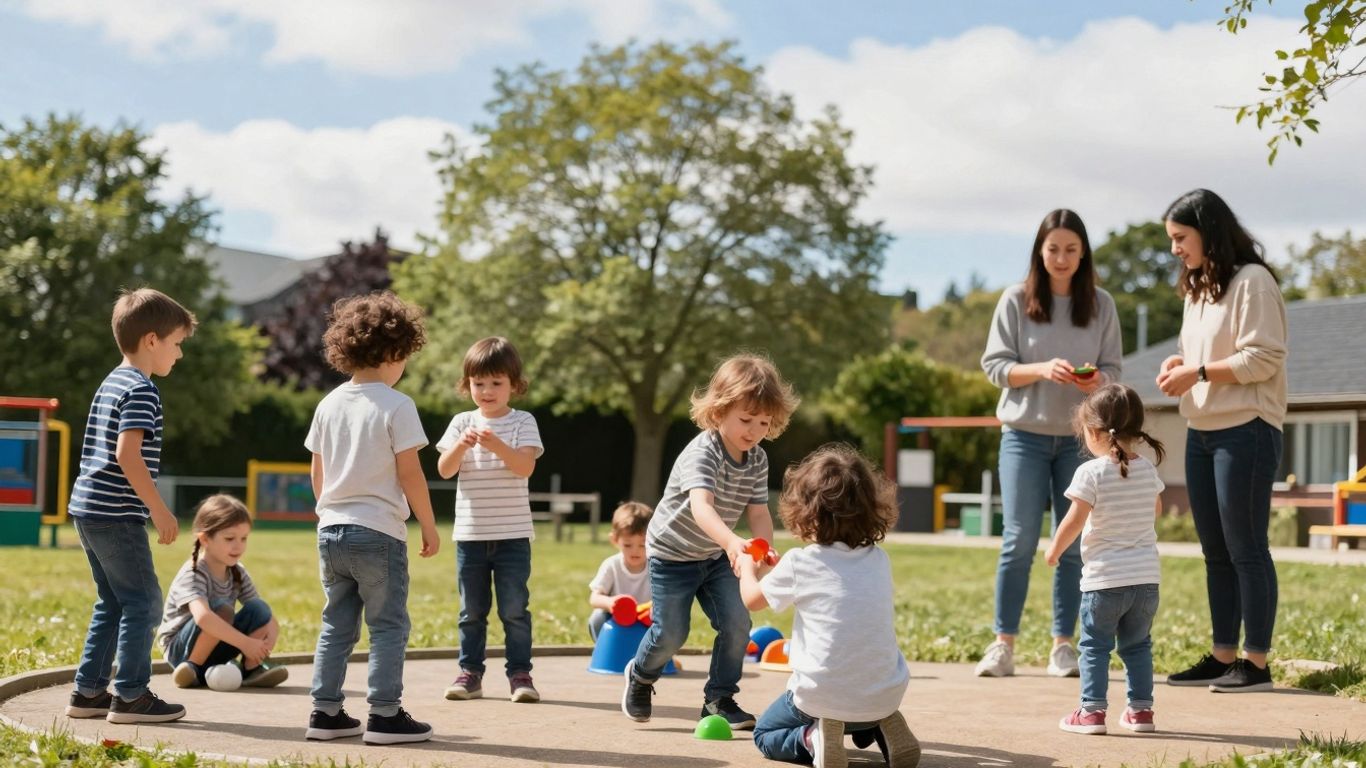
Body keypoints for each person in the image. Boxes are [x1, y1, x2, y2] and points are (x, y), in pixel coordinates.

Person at [978, 209, 1124, 678]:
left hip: (1081, 442)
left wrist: (1098, 381)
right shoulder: (1016, 300)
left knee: (1074, 543)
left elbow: (1115, 372)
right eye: (1053, 249)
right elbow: (995, 366)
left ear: (1084, 254)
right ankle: (1003, 644)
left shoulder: (1101, 304)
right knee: (1018, 539)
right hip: (1023, 436)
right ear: (1040, 253)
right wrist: (1042, 369)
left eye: (1071, 250)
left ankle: (1064, 645)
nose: (1061, 258)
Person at [621, 354, 798, 730]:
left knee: (737, 622)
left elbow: (759, 513)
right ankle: (640, 675)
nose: (754, 430)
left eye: (763, 422)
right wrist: (734, 544)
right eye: (746, 419)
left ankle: (719, 699)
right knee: (672, 633)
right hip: (672, 554)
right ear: (719, 412)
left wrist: (761, 549)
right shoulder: (703, 451)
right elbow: (702, 508)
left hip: (715, 554)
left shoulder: (758, 459)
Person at [1157, 189, 1287, 693]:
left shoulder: (1253, 283)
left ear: (1208, 232)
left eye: (1180, 238)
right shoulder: (1198, 289)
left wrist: (1200, 371)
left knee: (1247, 547)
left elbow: (1263, 358)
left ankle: (1255, 663)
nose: (1174, 250)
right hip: (1202, 432)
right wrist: (1180, 363)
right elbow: (1199, 353)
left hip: (1247, 430)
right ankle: (1222, 655)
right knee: (1215, 550)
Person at [304, 291, 440, 744]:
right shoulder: (397, 406)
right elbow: (411, 473)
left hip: (331, 530)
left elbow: (317, 471)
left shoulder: (328, 404)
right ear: (394, 352)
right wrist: (428, 523)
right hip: (378, 533)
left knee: (336, 625)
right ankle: (384, 715)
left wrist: (329, 513)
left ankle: (324, 714)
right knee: (387, 625)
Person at [740, 445, 919, 768]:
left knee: (765, 732)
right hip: (886, 693)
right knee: (859, 705)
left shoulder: (800, 562)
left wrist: (747, 567)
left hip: (819, 697)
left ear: (806, 511)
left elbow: (752, 600)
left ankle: (811, 738)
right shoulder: (879, 559)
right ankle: (885, 726)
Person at [64, 288, 195, 725]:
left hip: (88, 508)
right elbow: (127, 454)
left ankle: (88, 692)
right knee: (144, 602)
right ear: (153, 340)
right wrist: (159, 508)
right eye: (177, 343)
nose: (179, 354)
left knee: (113, 601)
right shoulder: (142, 389)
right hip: (116, 513)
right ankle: (132, 696)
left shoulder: (111, 381)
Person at [1046, 385, 1165, 735]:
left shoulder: (1091, 473)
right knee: (1138, 646)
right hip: (1145, 581)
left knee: (1095, 647)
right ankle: (1141, 713)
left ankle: (1092, 712)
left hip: (1104, 581)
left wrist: (1054, 551)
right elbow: (1155, 509)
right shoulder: (1147, 470)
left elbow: (1074, 521)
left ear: (1094, 432)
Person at [437, 336, 544, 704]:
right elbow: (445, 469)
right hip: (470, 535)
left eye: (496, 383)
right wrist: (461, 445)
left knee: (514, 609)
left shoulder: (522, 422)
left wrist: (497, 445)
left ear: (514, 385)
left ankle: (520, 674)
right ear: (467, 384)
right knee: (471, 611)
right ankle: (470, 674)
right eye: (477, 383)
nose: (486, 390)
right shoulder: (460, 423)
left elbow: (525, 466)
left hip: (513, 535)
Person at [158, 494, 287, 689]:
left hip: (217, 643)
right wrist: (245, 643)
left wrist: (265, 643)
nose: (239, 546)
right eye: (229, 538)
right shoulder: (194, 572)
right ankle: (191, 669)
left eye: (243, 538)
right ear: (205, 539)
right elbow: (203, 618)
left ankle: (251, 669)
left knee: (260, 609)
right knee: (222, 609)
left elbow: (265, 617)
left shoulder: (238, 572)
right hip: (181, 650)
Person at [588, 501, 653, 641]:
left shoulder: (655, 566)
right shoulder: (611, 565)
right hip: (618, 620)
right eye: (628, 545)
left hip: (647, 619)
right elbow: (594, 598)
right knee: (597, 618)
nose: (635, 550)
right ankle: (606, 653)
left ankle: (660, 658)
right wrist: (610, 603)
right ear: (615, 540)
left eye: (643, 545)